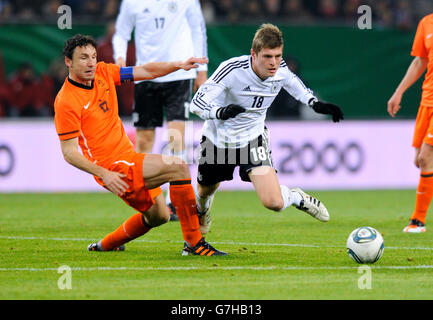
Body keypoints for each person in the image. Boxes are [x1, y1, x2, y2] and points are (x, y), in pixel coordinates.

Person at [54, 34, 226, 256]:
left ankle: (105, 245)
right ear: (68, 61)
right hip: (114, 168)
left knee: (159, 216)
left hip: (128, 157)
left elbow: (145, 71)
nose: (90, 63)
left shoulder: (104, 72)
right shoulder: (67, 100)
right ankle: (194, 244)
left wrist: (177, 65)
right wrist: (104, 174)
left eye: (93, 57)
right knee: (178, 167)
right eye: (83, 58)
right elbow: (69, 152)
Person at [190, 23, 344, 234]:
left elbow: (296, 86)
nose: (274, 63)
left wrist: (315, 104)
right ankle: (202, 210)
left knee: (274, 203)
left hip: (252, 140)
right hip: (218, 139)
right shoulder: (232, 70)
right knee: (205, 191)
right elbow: (196, 103)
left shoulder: (280, 71)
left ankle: (297, 197)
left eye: (278, 56)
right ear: (253, 54)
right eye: (267, 57)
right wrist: (220, 111)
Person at [112, 0, 208, 221]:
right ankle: (148, 197)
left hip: (180, 74)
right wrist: (120, 60)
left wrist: (201, 70)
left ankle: (174, 200)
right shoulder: (131, 3)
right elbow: (121, 33)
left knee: (176, 137)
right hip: (145, 74)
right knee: (144, 140)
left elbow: (197, 29)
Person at [387, 13, 433, 233]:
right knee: (419, 160)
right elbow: (420, 61)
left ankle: (418, 220)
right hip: (427, 101)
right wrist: (399, 92)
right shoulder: (426, 23)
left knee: (426, 157)